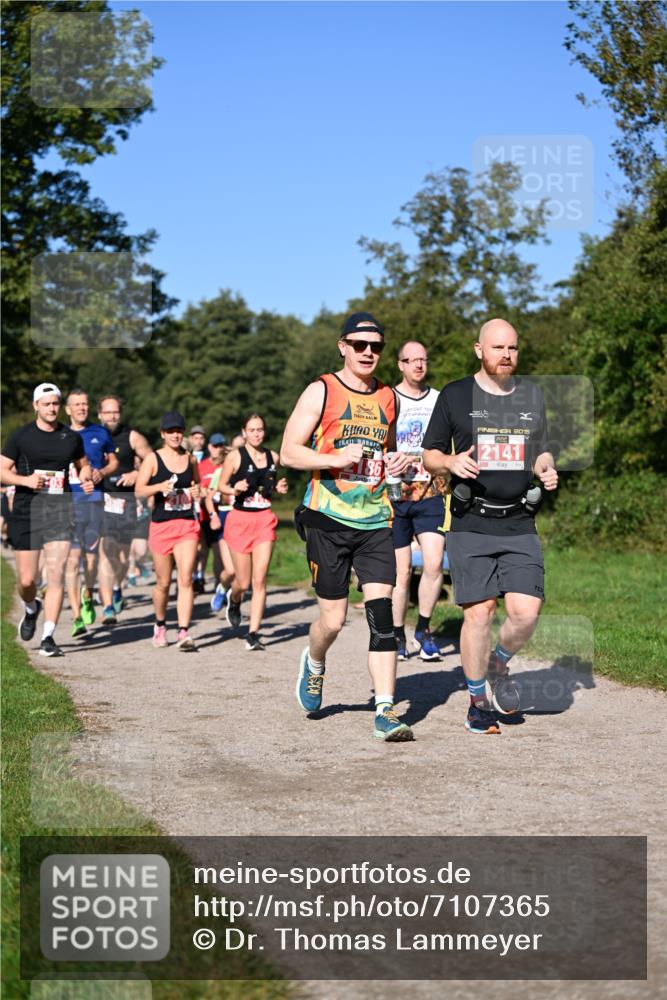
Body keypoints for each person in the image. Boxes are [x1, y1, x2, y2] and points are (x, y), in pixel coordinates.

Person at [280, 312, 414, 742]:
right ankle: (315, 663)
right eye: (360, 345)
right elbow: (288, 452)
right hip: (327, 519)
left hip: (376, 519)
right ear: (343, 347)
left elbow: (387, 452)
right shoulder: (322, 390)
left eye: (376, 346)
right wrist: (333, 459)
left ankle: (385, 710)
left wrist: (395, 462)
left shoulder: (389, 398)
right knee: (333, 621)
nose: (369, 352)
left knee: (382, 618)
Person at [423, 318, 558, 734]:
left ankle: (497, 663)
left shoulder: (532, 397)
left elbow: (541, 450)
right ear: (479, 350)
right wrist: (450, 462)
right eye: (498, 348)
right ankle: (478, 700)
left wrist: (546, 467)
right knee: (479, 613)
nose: (506, 355)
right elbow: (429, 454)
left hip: (518, 520)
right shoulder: (456, 394)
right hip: (471, 521)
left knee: (526, 612)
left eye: (512, 348)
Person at [0, 383, 94, 656]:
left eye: (55, 403)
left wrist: (86, 476)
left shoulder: (70, 437)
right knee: (27, 581)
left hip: (59, 511)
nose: (52, 408)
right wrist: (24, 480)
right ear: (36, 406)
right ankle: (31, 608)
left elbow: (83, 464)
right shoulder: (21, 437)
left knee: (56, 574)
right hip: (26, 512)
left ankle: (49, 636)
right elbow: (2, 470)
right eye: (46, 404)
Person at [391, 342, 448, 661]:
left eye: (423, 360)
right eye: (411, 360)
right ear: (400, 364)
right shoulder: (389, 399)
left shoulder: (439, 399)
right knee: (400, 573)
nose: (418, 365)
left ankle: (423, 630)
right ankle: (398, 635)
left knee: (434, 562)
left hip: (432, 492)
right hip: (396, 494)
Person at [217, 414, 288, 650]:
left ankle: (253, 633)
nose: (257, 433)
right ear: (244, 432)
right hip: (240, 521)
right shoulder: (235, 456)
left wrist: (279, 487)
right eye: (252, 429)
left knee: (260, 580)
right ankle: (234, 599)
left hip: (264, 520)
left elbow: (270, 488)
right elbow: (221, 486)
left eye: (260, 429)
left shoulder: (272, 457)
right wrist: (234, 488)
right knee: (243, 582)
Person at [135, 411, 201, 650]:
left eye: (178, 431)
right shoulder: (153, 459)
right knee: (163, 582)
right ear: (163, 433)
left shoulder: (190, 459)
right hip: (162, 526)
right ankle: (160, 624)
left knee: (185, 578)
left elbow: (197, 486)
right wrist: (158, 487)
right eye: (170, 431)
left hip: (186, 524)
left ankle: (183, 631)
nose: (175, 435)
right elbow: (139, 490)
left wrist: (196, 493)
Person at [64, 388, 118, 637]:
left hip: (93, 502)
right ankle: (76, 617)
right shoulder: (60, 435)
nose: (81, 408)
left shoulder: (100, 432)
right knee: (72, 561)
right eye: (76, 404)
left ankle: (88, 594)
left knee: (92, 560)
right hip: (66, 505)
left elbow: (113, 461)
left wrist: (102, 472)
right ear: (68, 409)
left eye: (85, 404)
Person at [97, 395, 151, 624]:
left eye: (115, 412)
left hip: (126, 502)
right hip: (100, 501)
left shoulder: (133, 437)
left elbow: (154, 462)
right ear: (99, 414)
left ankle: (117, 585)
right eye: (107, 412)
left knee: (121, 558)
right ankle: (107, 606)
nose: (111, 416)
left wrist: (137, 474)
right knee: (106, 554)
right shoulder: (90, 436)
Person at [197, 433, 236, 612]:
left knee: (243, 569)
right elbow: (209, 497)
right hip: (222, 518)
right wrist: (213, 515)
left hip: (245, 520)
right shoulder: (218, 472)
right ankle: (221, 587)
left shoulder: (245, 470)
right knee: (226, 565)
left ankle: (233, 596)